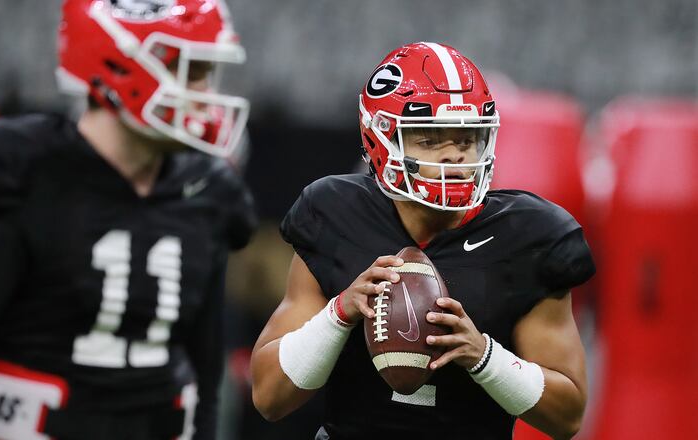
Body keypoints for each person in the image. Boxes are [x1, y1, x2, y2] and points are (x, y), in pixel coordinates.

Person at [0, 1, 255, 439]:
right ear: (119, 67)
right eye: (191, 70)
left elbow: (206, 376)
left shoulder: (207, 194)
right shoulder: (26, 175)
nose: (207, 94)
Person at [250, 42, 595, 439]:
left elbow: (567, 417)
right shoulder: (335, 213)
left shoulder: (529, 236)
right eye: (430, 139)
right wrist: (340, 313)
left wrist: (483, 356)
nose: (454, 157)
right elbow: (269, 396)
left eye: (466, 140)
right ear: (381, 140)